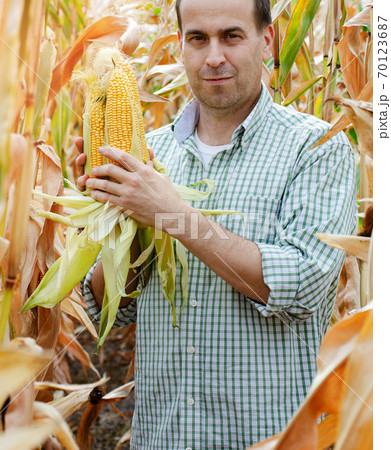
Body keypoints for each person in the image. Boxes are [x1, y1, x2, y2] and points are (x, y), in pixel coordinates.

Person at [77, 0, 357, 448]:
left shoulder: (318, 148)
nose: (213, 58)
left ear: (266, 41)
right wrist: (118, 217)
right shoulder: (148, 155)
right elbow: (112, 306)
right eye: (197, 39)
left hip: (268, 437)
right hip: (163, 436)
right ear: (181, 48)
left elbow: (302, 285)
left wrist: (170, 213)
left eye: (231, 36)